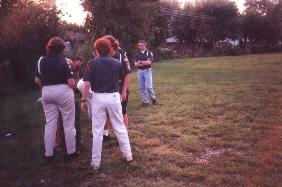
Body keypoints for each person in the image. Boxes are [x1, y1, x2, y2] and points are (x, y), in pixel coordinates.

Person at [81, 37, 133, 170]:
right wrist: (124, 91)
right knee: (120, 127)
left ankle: (95, 163)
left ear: (97, 50)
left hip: (98, 97)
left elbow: (86, 84)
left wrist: (83, 100)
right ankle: (128, 156)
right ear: (109, 48)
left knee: (97, 131)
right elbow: (126, 75)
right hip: (114, 96)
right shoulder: (117, 63)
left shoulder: (91, 63)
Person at [34, 37, 78, 160]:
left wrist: (46, 88)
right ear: (61, 49)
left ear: (49, 46)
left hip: (47, 91)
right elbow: (71, 83)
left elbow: (37, 79)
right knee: (68, 123)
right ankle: (71, 152)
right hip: (63, 91)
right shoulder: (64, 61)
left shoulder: (41, 60)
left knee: (50, 124)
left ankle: (49, 154)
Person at [102, 35, 131, 140]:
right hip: (106, 89)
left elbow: (127, 74)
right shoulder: (101, 53)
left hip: (119, 87)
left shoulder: (121, 55)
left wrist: (123, 92)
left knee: (122, 112)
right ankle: (105, 134)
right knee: (106, 113)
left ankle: (124, 136)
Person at [134, 40, 157, 107]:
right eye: (139, 45)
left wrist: (140, 62)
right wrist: (144, 62)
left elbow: (149, 63)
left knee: (148, 87)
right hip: (139, 72)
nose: (140, 47)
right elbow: (135, 64)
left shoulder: (149, 53)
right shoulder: (137, 54)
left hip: (147, 71)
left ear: (145, 45)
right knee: (142, 88)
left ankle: (153, 99)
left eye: (141, 45)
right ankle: (145, 102)